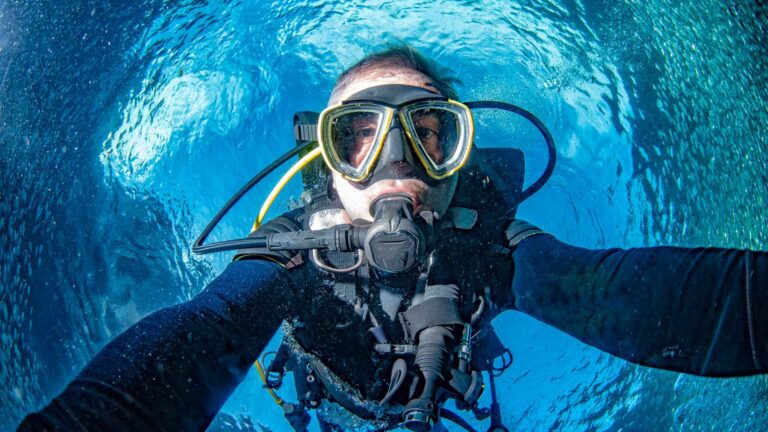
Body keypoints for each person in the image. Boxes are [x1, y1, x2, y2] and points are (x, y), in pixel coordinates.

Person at [18, 45, 768, 432]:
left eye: (429, 132)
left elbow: (613, 293)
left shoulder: (489, 242)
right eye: (360, 137)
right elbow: (203, 330)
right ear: (329, 162)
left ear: (457, 156)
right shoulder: (293, 246)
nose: (397, 163)